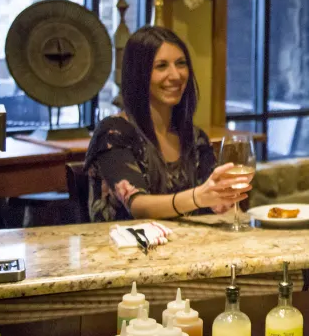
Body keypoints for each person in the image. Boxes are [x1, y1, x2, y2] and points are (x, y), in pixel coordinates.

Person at [85, 27, 251, 222]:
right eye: (161, 66)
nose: (176, 75)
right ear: (139, 74)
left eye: (181, 64)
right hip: (123, 248)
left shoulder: (195, 138)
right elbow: (138, 206)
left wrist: (222, 201)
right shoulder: (113, 133)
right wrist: (197, 197)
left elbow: (213, 201)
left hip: (185, 248)